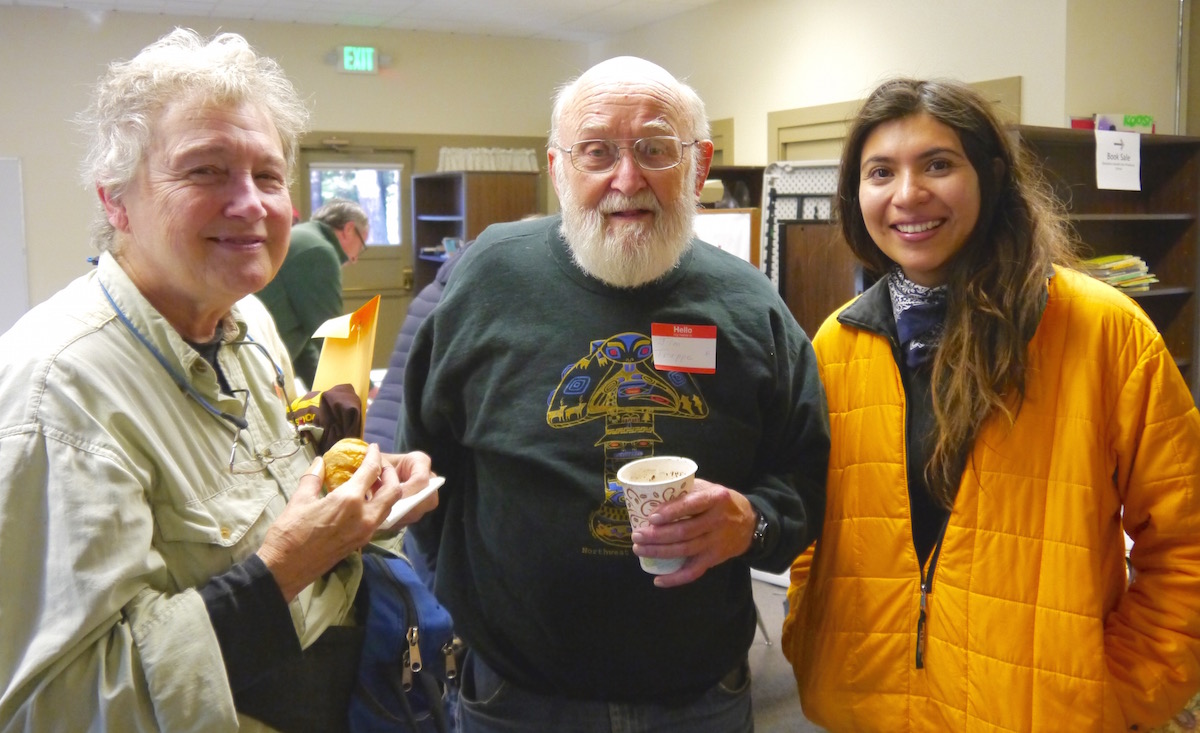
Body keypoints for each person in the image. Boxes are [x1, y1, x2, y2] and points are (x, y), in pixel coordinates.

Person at [0, 29, 437, 731]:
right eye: (205, 171)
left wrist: (363, 493)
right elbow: (59, 706)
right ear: (116, 201)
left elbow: (279, 483)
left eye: (268, 176)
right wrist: (284, 568)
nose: (253, 203)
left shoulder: (248, 323)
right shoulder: (60, 392)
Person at [400, 56, 829, 733]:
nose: (626, 180)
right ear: (558, 167)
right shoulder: (488, 279)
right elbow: (425, 466)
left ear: (697, 163)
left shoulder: (751, 305)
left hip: (698, 698)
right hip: (515, 700)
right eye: (597, 151)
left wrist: (754, 520)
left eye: (655, 149)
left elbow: (806, 474)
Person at [780, 77, 1200, 731]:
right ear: (855, 193)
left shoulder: (1102, 332)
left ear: (992, 176)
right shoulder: (839, 340)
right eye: (880, 171)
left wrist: (1121, 693)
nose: (907, 194)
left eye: (938, 164)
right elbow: (822, 529)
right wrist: (814, 634)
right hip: (867, 703)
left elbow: (1186, 547)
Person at [257, 197, 369, 388]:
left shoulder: (305, 237)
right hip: (260, 365)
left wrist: (323, 397)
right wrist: (365, 387)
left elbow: (305, 340)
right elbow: (330, 335)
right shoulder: (319, 251)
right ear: (349, 229)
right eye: (362, 245)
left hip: (259, 361)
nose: (355, 258)